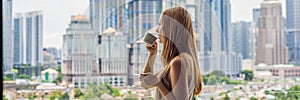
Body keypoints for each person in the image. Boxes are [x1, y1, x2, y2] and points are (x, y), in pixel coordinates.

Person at [139, 6, 203, 100]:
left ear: (171, 29)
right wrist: (152, 55)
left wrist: (159, 84)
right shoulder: (185, 59)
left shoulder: (178, 62)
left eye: (160, 24)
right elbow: (145, 83)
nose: (157, 30)